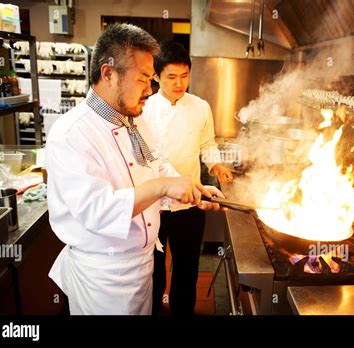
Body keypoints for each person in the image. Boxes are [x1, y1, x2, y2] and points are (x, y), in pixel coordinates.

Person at [46, 23, 223, 315]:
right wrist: (163, 188)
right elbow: (97, 210)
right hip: (103, 279)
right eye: (143, 80)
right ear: (108, 73)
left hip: (141, 265)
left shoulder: (134, 120)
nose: (150, 90)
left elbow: (157, 165)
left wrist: (191, 189)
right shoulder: (72, 133)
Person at [143, 41, 233, 316]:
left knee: (187, 266)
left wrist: (216, 164)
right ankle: (153, 310)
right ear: (157, 76)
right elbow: (147, 156)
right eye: (172, 76)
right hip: (153, 203)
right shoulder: (144, 108)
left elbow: (207, 143)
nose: (179, 83)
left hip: (190, 202)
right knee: (153, 267)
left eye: (185, 76)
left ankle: (184, 312)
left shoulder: (200, 107)